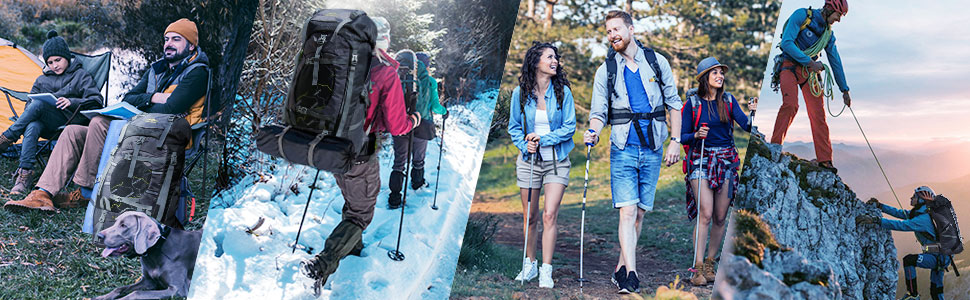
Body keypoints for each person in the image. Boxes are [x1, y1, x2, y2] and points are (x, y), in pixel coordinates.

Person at [4, 18, 209, 212]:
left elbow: (170, 109)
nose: (169, 44)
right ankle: (43, 194)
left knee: (100, 121)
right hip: (138, 128)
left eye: (176, 39)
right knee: (72, 131)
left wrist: (146, 102)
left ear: (191, 46)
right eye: (166, 39)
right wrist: (154, 97)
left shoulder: (197, 72)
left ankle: (85, 192)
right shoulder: (157, 70)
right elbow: (129, 98)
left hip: (168, 135)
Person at [301, 16, 420, 292]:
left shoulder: (340, 61)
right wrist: (412, 120)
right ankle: (321, 265)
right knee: (360, 214)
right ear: (384, 40)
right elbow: (397, 126)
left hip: (331, 148)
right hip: (360, 153)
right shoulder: (385, 72)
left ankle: (354, 251)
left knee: (353, 201)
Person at [583, 10, 683, 294]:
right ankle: (632, 275)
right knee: (627, 212)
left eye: (616, 29)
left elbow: (674, 103)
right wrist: (593, 131)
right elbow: (598, 113)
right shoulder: (606, 70)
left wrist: (675, 141)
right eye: (608, 31)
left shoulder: (657, 62)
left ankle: (620, 268)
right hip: (623, 147)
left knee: (639, 214)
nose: (612, 35)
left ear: (631, 29)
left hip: (652, 147)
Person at [680, 57, 756, 286]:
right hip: (700, 160)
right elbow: (682, 136)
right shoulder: (692, 104)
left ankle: (710, 263)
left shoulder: (729, 101)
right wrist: (696, 135)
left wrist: (754, 114)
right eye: (715, 72)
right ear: (704, 77)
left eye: (721, 72)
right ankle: (697, 268)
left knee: (721, 217)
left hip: (726, 161)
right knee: (705, 213)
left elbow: (747, 126)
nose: (720, 76)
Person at [0, 30, 103, 195]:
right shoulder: (42, 80)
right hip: (48, 124)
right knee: (33, 124)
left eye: (58, 60)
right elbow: (29, 104)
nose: (55, 65)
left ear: (66, 57)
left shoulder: (80, 75)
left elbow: (96, 100)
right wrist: (36, 106)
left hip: (70, 122)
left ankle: (8, 137)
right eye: (50, 62)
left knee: (38, 105)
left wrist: (72, 101)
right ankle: (25, 173)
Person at [508, 41, 576, 289]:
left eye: (555, 57)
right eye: (549, 57)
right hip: (529, 163)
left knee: (549, 215)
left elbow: (569, 127)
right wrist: (525, 144)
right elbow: (514, 127)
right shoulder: (520, 93)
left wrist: (543, 139)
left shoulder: (563, 92)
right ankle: (530, 264)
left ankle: (546, 270)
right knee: (530, 217)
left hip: (557, 161)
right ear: (535, 62)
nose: (554, 60)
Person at [770, 0, 850, 171]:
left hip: (809, 73)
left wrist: (844, 90)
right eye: (838, 15)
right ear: (829, 8)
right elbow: (786, 43)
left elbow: (835, 61)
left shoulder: (828, 35)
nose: (838, 20)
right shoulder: (802, 15)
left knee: (818, 114)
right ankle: (775, 147)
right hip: (789, 66)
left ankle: (825, 160)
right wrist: (810, 62)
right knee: (790, 105)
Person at [860, 187, 951, 300]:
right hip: (941, 256)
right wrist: (881, 206)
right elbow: (900, 213)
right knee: (936, 292)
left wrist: (876, 221)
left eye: (914, 196)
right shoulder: (922, 213)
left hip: (938, 257)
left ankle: (913, 295)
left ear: (922, 200)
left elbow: (902, 225)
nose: (911, 198)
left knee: (909, 260)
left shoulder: (923, 219)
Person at [387, 51, 447, 209]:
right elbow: (435, 107)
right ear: (425, 66)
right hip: (421, 123)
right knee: (418, 159)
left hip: (400, 123)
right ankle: (417, 183)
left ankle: (394, 197)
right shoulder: (430, 81)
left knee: (399, 162)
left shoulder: (397, 77)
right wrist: (445, 112)